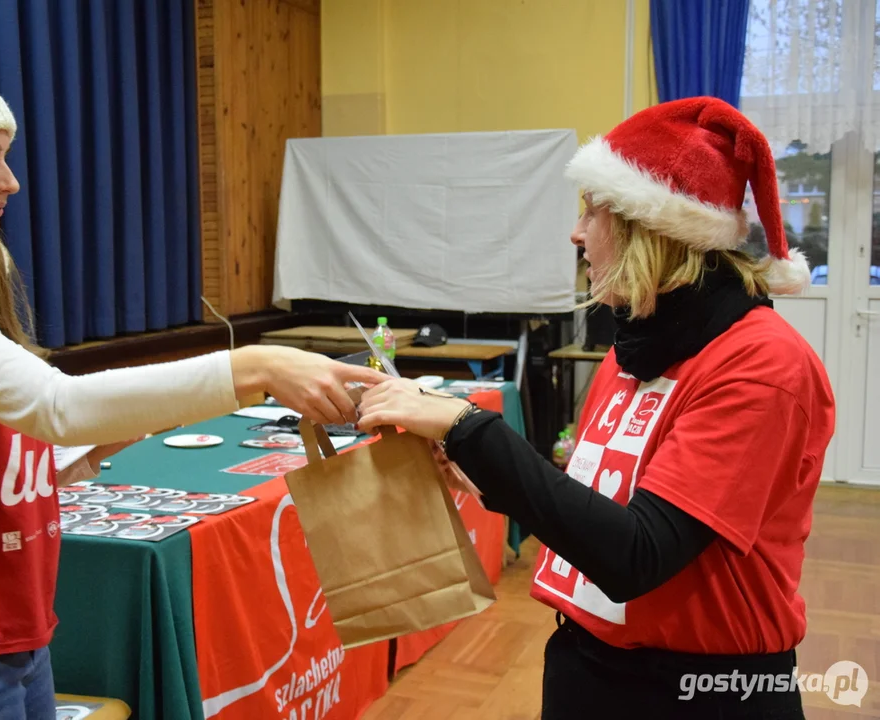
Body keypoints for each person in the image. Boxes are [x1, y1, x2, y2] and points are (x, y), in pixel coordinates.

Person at [0, 62, 384, 720]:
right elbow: (56, 408)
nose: (11, 183)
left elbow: (11, 450)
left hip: (7, 632)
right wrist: (253, 367)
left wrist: (134, 425)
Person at [356, 97, 835, 720]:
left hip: (699, 693)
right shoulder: (638, 345)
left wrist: (464, 423)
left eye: (593, 209)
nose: (576, 232)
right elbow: (599, 506)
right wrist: (486, 475)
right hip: (594, 670)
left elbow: (636, 555)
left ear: (650, 229)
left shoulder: (763, 365)